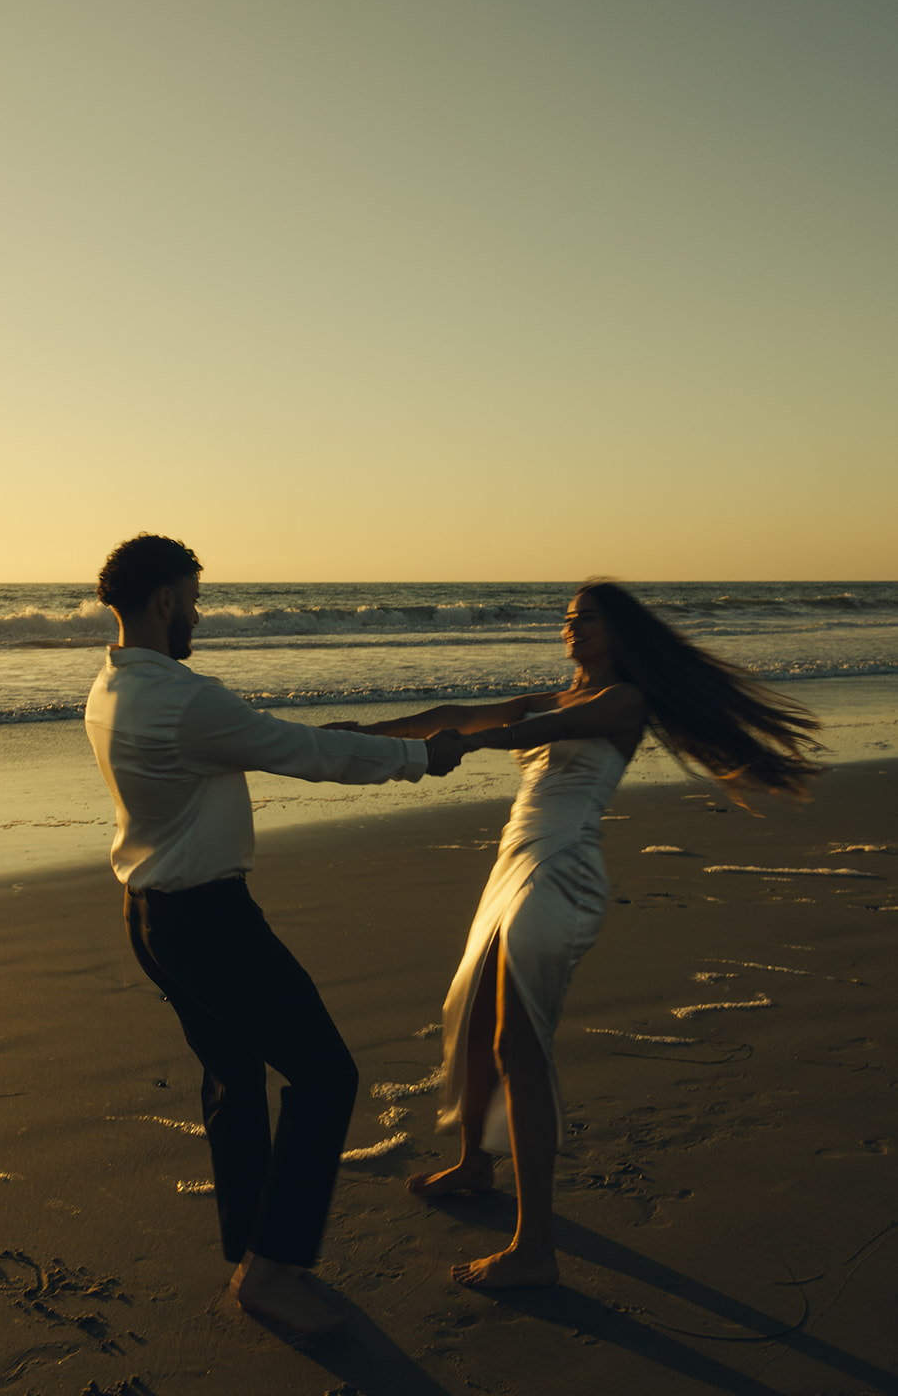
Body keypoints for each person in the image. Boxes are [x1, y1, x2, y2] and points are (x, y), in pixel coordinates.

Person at [343, 579, 820, 1290]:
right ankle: (476, 1161)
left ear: (620, 631)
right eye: (567, 619)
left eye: (587, 618)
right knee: (473, 1021)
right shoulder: (553, 694)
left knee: (518, 1045)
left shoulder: (621, 701)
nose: (572, 628)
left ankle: (534, 1250)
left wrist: (468, 744)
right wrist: (373, 734)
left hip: (561, 871)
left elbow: (535, 734)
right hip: (514, 864)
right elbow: (458, 712)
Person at [84, 534, 463, 1334]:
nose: (198, 612)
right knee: (325, 1077)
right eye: (193, 597)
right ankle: (273, 1270)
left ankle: (249, 1257)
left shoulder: (110, 689)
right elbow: (301, 754)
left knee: (232, 1077)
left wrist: (304, 734)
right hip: (208, 923)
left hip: (148, 917)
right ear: (164, 601)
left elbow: (244, 744)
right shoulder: (185, 698)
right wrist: (417, 758)